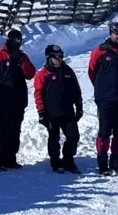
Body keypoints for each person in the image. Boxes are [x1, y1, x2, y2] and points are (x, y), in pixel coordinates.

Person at [88, 21, 118, 175]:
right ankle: (102, 164)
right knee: (104, 131)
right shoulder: (100, 51)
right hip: (105, 98)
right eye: (116, 33)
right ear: (110, 34)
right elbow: (92, 72)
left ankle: (116, 163)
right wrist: (102, 87)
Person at [0, 29, 35, 171]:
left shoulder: (21, 56)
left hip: (18, 100)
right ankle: (1, 160)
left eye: (19, 40)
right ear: (9, 39)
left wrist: (22, 60)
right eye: (15, 40)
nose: (18, 43)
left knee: (15, 130)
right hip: (3, 100)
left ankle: (11, 159)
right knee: (5, 130)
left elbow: (30, 74)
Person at [34, 45, 84, 173]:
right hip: (52, 113)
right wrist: (41, 112)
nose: (59, 59)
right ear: (49, 58)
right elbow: (38, 94)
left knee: (73, 136)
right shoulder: (43, 74)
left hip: (67, 111)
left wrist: (79, 107)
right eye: (56, 57)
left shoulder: (68, 71)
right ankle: (55, 162)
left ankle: (68, 160)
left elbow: (76, 90)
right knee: (54, 138)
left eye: (61, 56)